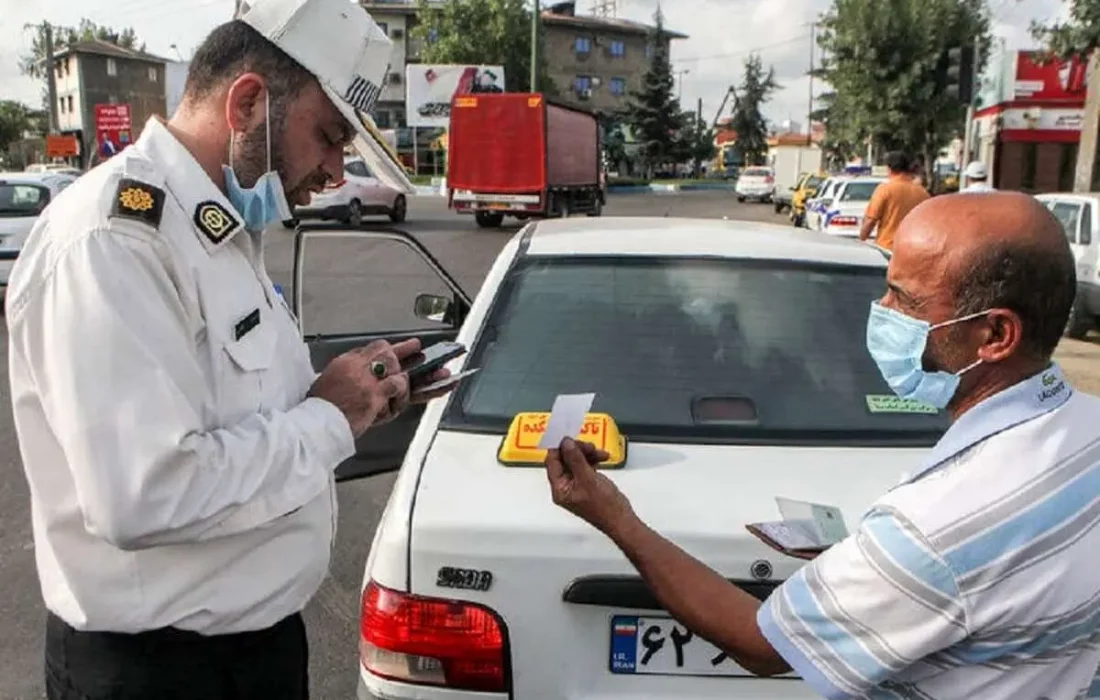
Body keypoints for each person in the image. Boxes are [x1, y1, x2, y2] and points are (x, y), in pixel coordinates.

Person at [6, 0, 455, 698]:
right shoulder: (115, 239)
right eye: (330, 137)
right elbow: (144, 495)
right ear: (247, 102)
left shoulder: (217, 229)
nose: (337, 173)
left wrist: (356, 396)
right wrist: (329, 418)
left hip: (254, 654)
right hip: (158, 673)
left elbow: (242, 416)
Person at [545, 191, 1100, 699]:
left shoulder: (935, 529)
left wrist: (615, 516)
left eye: (904, 300)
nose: (880, 310)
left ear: (996, 335)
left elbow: (760, 647)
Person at [859, 150, 930, 250]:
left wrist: (862, 239)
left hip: (888, 248)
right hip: (913, 250)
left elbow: (870, 220)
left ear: (889, 169)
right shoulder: (922, 193)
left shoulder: (885, 189)